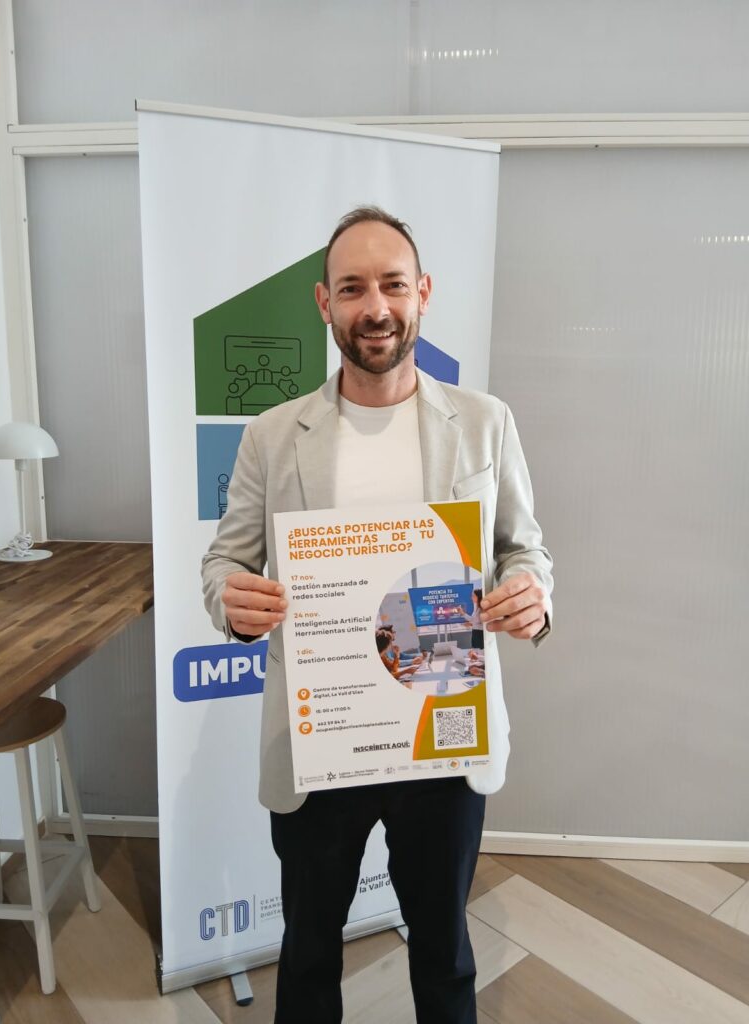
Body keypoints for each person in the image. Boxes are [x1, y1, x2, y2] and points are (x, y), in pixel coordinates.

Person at [202, 206, 553, 1024]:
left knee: (444, 951)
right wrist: (231, 600)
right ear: (325, 302)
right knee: (309, 953)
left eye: (392, 285)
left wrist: (531, 598)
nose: (376, 308)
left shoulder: (485, 422)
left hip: (443, 732)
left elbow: (522, 550)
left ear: (422, 293)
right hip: (321, 736)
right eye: (353, 288)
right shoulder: (271, 435)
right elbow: (225, 562)